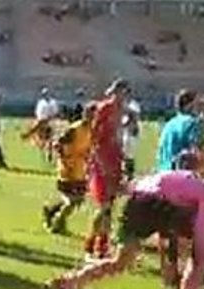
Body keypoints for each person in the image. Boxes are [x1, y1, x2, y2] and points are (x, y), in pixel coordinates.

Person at [49, 170, 204, 289]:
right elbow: (199, 233)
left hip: (136, 201)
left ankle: (69, 283)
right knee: (197, 256)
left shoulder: (194, 181)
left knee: (120, 261)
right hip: (156, 207)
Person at [85, 80, 129, 259]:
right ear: (116, 92)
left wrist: (122, 159)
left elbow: (117, 138)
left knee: (110, 207)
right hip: (103, 161)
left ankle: (101, 246)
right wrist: (100, 163)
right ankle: (91, 244)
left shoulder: (121, 111)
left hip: (115, 160)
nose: (124, 96)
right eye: (122, 92)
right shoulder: (105, 109)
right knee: (104, 206)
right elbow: (94, 138)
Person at [42, 104, 93, 235]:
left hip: (80, 169)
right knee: (72, 201)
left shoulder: (93, 130)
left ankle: (51, 211)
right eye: (90, 114)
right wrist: (64, 159)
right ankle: (57, 224)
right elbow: (58, 144)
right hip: (68, 169)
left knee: (79, 200)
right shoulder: (74, 129)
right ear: (85, 115)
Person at [156, 89, 204, 172]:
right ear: (190, 105)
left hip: (163, 172)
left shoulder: (169, 124)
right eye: (198, 104)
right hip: (181, 174)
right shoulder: (193, 123)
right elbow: (196, 151)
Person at [21, 87, 59, 162]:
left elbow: (55, 112)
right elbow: (38, 113)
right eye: (44, 94)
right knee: (43, 137)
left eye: (46, 94)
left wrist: (50, 118)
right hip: (42, 120)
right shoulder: (41, 103)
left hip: (49, 121)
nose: (46, 95)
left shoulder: (53, 102)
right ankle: (31, 136)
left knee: (49, 139)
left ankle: (28, 135)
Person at [121, 98, 142, 180]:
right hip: (126, 132)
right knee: (125, 154)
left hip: (131, 133)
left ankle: (129, 175)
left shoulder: (133, 104)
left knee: (129, 155)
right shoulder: (123, 104)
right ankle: (126, 173)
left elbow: (134, 116)